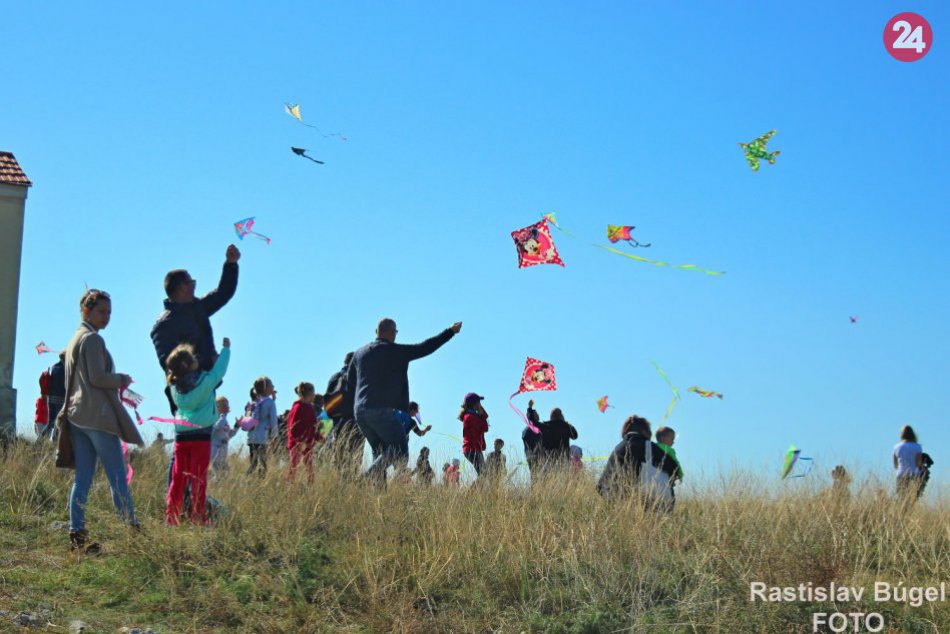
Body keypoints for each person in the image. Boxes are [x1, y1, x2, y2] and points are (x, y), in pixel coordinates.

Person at [62, 289, 144, 553]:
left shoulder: (75, 338)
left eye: (109, 312)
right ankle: (132, 532)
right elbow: (97, 378)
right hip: (97, 416)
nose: (107, 317)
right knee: (117, 477)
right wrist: (121, 379)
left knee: (82, 479)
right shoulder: (94, 340)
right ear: (87, 311)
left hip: (76, 417)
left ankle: (77, 533)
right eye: (101, 311)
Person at [347, 318, 462, 483]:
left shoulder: (359, 353)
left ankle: (379, 499)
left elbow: (350, 382)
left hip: (360, 412)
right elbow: (425, 347)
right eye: (396, 332)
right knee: (399, 450)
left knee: (380, 454)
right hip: (380, 410)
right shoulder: (395, 351)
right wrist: (450, 332)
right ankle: (366, 478)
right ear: (392, 331)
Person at [150, 245, 241, 412]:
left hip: (206, 385)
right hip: (185, 392)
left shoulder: (197, 307)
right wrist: (205, 362)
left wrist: (231, 264)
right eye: (191, 282)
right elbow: (168, 362)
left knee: (206, 436)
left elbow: (223, 293)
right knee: (190, 436)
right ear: (182, 288)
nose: (194, 286)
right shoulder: (164, 325)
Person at [165, 339, 231, 525]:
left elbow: (171, 376)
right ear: (188, 364)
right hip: (201, 436)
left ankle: (171, 518)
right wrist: (226, 350)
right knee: (198, 479)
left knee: (178, 479)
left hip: (181, 437)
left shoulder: (174, 388)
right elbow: (220, 371)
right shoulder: (205, 381)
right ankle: (198, 517)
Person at [597, 415, 679, 510]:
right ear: (645, 431)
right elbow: (674, 469)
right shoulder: (650, 447)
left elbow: (601, 486)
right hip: (650, 507)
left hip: (617, 505)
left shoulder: (618, 449)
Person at [325, 352, 364, 474]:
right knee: (354, 459)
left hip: (336, 422)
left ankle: (337, 484)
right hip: (354, 422)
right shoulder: (357, 377)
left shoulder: (334, 377)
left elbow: (328, 402)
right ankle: (350, 485)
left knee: (338, 457)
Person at [287, 382, 321, 482]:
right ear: (309, 394)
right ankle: (290, 484)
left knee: (309, 465)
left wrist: (318, 437)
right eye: (313, 393)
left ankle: (310, 485)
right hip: (297, 443)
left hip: (308, 443)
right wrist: (299, 442)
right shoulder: (297, 408)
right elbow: (293, 427)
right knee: (294, 464)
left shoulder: (309, 408)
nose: (314, 395)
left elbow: (313, 426)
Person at [245, 377, 278, 477]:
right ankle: (261, 482)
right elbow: (273, 421)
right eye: (271, 385)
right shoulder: (270, 403)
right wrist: (274, 436)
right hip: (262, 437)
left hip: (251, 437)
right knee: (263, 463)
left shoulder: (253, 402)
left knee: (253, 463)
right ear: (266, 388)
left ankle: (247, 479)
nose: (273, 387)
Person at [459, 393, 489, 476]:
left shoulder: (471, 415)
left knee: (483, 474)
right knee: (484, 474)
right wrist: (482, 414)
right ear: (475, 404)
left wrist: (481, 413)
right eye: (479, 402)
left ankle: (474, 489)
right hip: (473, 449)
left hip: (474, 448)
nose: (480, 404)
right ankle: (471, 490)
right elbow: (485, 428)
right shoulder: (471, 417)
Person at [893, 425, 924, 503]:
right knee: (913, 499)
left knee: (902, 498)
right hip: (914, 474)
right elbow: (918, 463)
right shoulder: (917, 446)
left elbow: (895, 464)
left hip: (901, 474)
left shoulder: (896, 447)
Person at [654, 426, 683, 508]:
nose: (673, 442)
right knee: (669, 502)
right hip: (666, 481)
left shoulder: (653, 447)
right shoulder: (670, 450)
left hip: (653, 479)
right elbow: (676, 463)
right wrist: (680, 474)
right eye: (672, 439)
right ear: (663, 438)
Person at [211, 397, 238, 476]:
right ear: (217, 407)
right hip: (216, 450)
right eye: (224, 405)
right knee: (218, 473)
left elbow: (228, 435)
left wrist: (237, 426)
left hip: (223, 450)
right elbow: (217, 427)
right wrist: (223, 415)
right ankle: (216, 485)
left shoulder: (224, 420)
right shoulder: (215, 419)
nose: (227, 407)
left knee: (225, 474)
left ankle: (219, 486)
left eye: (227, 405)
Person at [522, 400, 542, 477]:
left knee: (536, 477)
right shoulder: (530, 430)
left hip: (532, 456)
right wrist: (529, 407)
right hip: (535, 456)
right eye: (536, 414)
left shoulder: (527, 430)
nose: (538, 415)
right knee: (537, 477)